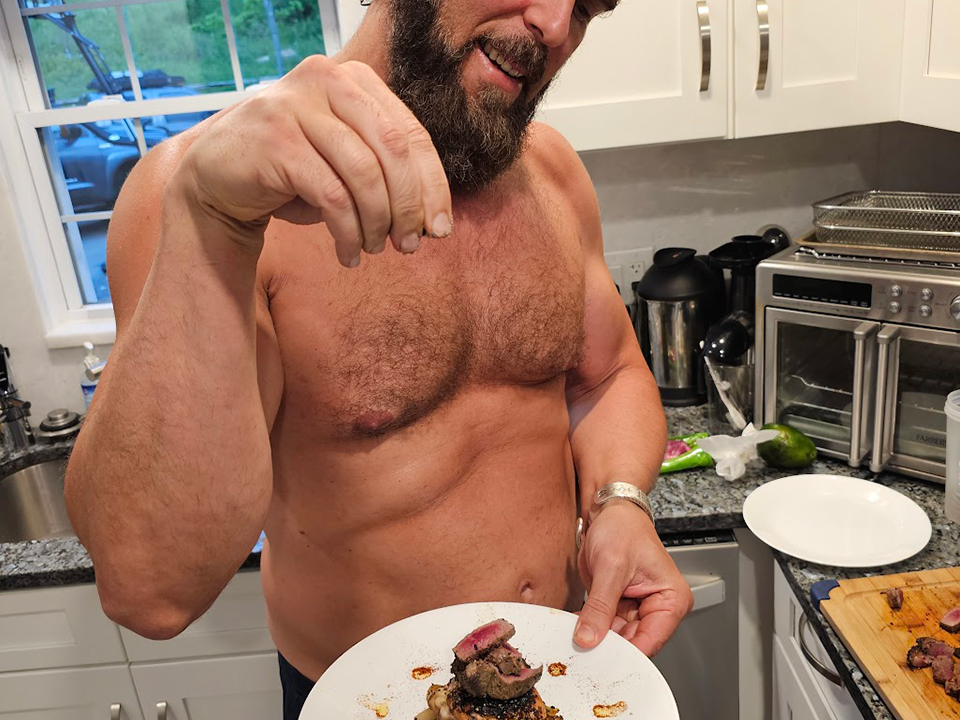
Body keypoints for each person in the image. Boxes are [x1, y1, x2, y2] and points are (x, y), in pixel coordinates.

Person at [64, 0, 693, 716]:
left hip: (552, 674)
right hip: (366, 701)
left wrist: (620, 502)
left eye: (585, 8)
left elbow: (608, 378)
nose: (555, 24)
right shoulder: (205, 196)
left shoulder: (552, 172)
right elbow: (149, 589)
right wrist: (212, 222)